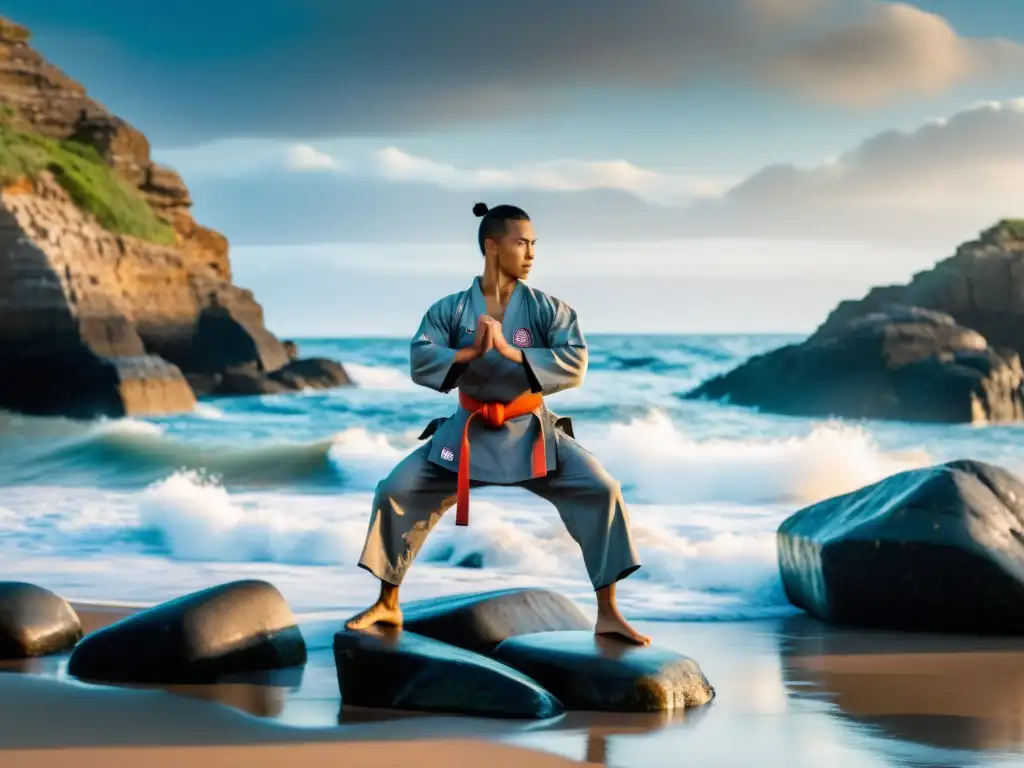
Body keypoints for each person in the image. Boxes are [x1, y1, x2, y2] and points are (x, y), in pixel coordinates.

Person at [344, 202, 650, 645]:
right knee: (396, 490)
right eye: (521, 243)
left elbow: (575, 362)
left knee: (602, 490)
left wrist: (511, 352)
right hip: (467, 431)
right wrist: (466, 355)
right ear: (492, 246)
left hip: (532, 432)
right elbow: (420, 357)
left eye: (533, 244)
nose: (531, 253)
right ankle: (388, 602)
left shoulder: (548, 309)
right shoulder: (450, 310)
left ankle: (609, 612)